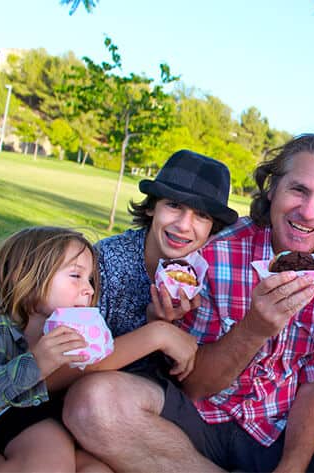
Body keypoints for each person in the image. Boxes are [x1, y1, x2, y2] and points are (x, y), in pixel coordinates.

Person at [64, 134, 314, 472]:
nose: (308, 211)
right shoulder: (214, 252)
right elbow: (193, 386)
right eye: (298, 190)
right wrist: (254, 329)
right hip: (196, 420)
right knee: (91, 404)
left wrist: (293, 466)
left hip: (280, 430)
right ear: (272, 188)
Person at [63, 149, 240, 472]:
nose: (184, 225)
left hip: (156, 408)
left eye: (201, 216)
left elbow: (191, 379)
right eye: (174, 205)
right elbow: (68, 367)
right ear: (153, 207)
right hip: (86, 402)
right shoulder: (108, 264)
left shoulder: (206, 275)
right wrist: (157, 332)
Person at [0, 227, 110, 472]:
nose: (89, 289)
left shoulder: (63, 332)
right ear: (23, 275)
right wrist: (33, 366)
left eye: (90, 279)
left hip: (18, 430)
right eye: (76, 275)